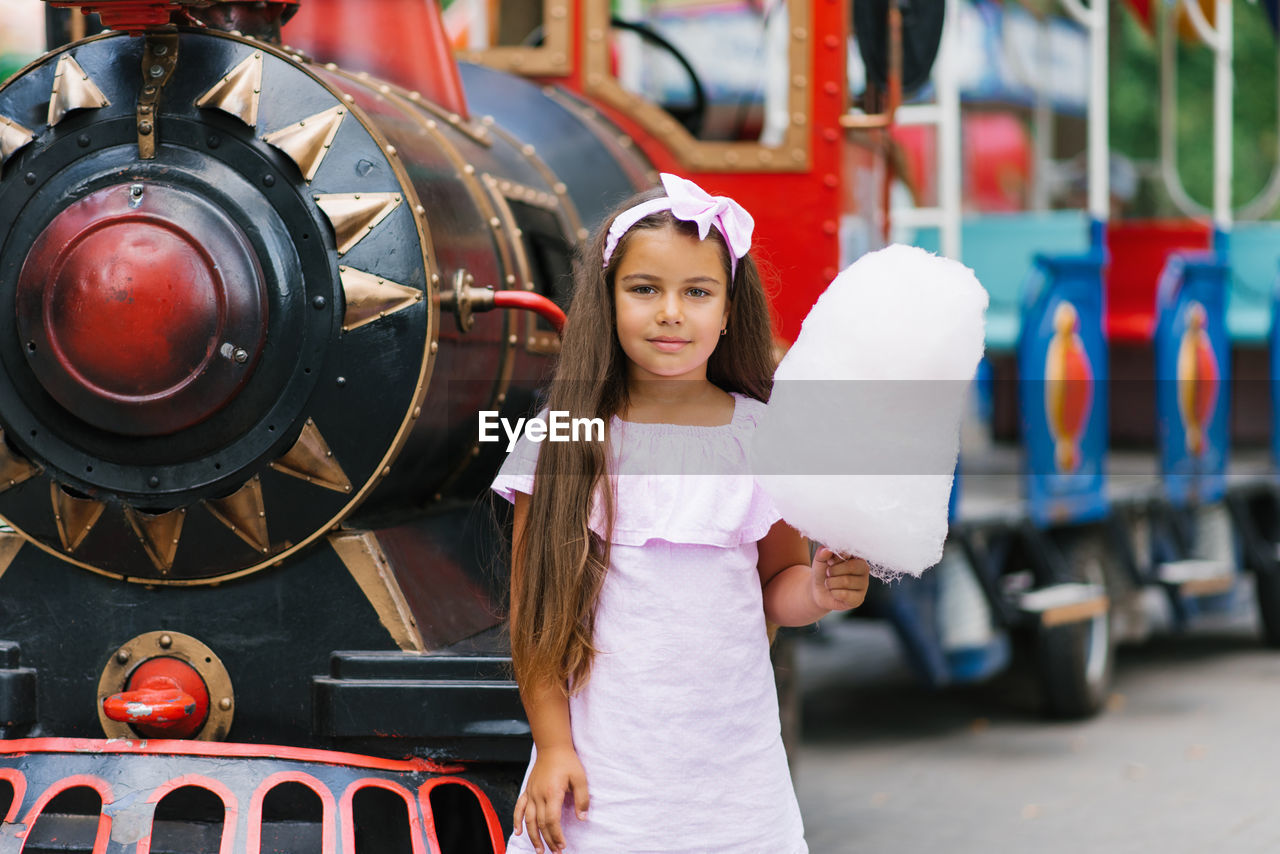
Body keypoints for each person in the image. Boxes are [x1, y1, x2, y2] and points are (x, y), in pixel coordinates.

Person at [492, 173, 871, 854]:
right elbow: (535, 616)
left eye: (697, 292)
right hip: (608, 781)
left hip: (734, 781)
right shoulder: (568, 436)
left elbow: (774, 587)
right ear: (608, 302)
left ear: (728, 310)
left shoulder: (763, 438)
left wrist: (815, 590)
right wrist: (552, 748)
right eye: (645, 289)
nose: (671, 312)